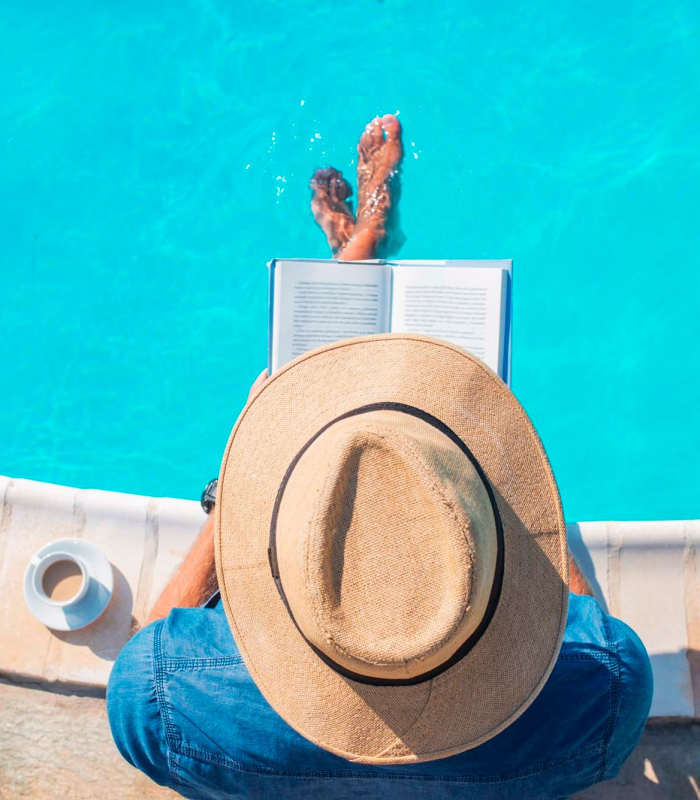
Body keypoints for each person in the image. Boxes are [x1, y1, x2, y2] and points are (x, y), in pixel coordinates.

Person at [106, 114, 653, 799]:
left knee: (350, 449)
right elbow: (584, 626)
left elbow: (142, 659)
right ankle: (361, 240)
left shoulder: (161, 701)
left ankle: (356, 251)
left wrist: (235, 491)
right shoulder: (606, 695)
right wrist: (513, 498)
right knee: (397, 463)